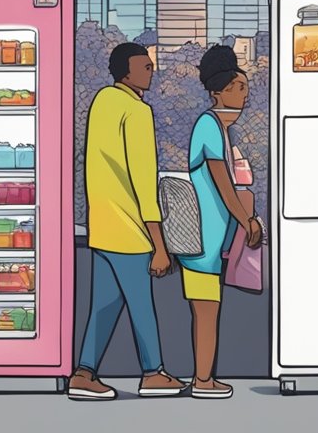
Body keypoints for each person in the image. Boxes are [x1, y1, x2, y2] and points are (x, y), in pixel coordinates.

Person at [68, 42, 186, 400]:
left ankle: (84, 373)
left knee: (105, 304)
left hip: (101, 226)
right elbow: (143, 179)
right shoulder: (136, 112)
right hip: (130, 230)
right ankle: (153, 373)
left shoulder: (102, 102)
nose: (151, 71)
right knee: (141, 305)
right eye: (145, 67)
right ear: (126, 71)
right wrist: (160, 245)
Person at [173, 45, 262, 400]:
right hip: (201, 242)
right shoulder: (209, 127)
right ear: (218, 92)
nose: (245, 95)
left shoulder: (218, 130)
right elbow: (223, 185)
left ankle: (204, 377)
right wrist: (248, 220)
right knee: (206, 312)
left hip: (211, 242)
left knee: (209, 309)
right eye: (239, 88)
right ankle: (203, 380)